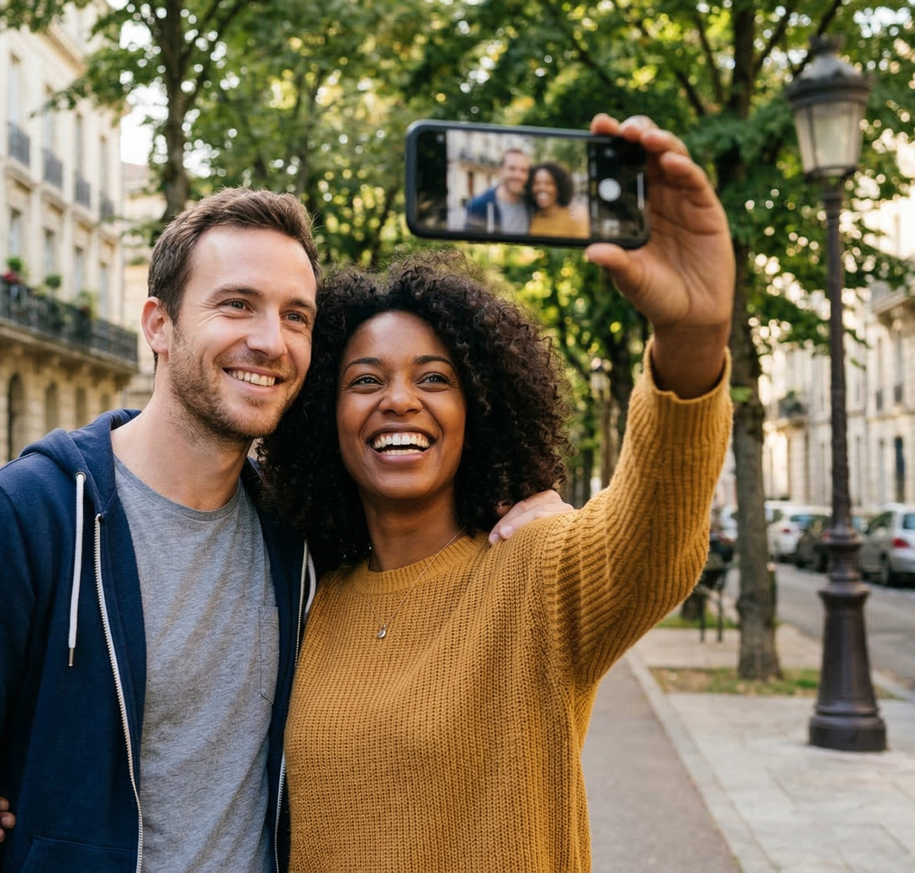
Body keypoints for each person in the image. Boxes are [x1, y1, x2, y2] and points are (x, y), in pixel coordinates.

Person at [0, 188, 567, 871]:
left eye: (295, 316)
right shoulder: (25, 516)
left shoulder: (299, 536)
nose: (270, 341)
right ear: (159, 324)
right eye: (237, 304)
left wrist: (542, 513)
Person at [255, 113, 734, 872]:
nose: (399, 401)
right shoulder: (312, 591)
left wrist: (692, 338)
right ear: (323, 416)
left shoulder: (533, 568)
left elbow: (651, 543)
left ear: (479, 410)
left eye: (434, 378)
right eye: (365, 381)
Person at [464, 147, 532, 234]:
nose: (518, 175)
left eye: (523, 170)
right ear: (500, 172)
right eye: (512, 169)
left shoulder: (530, 205)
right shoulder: (479, 206)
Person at [527, 160, 590, 238]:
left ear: (559, 187)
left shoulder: (575, 219)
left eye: (549, 183)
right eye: (536, 183)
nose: (541, 187)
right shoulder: (532, 216)